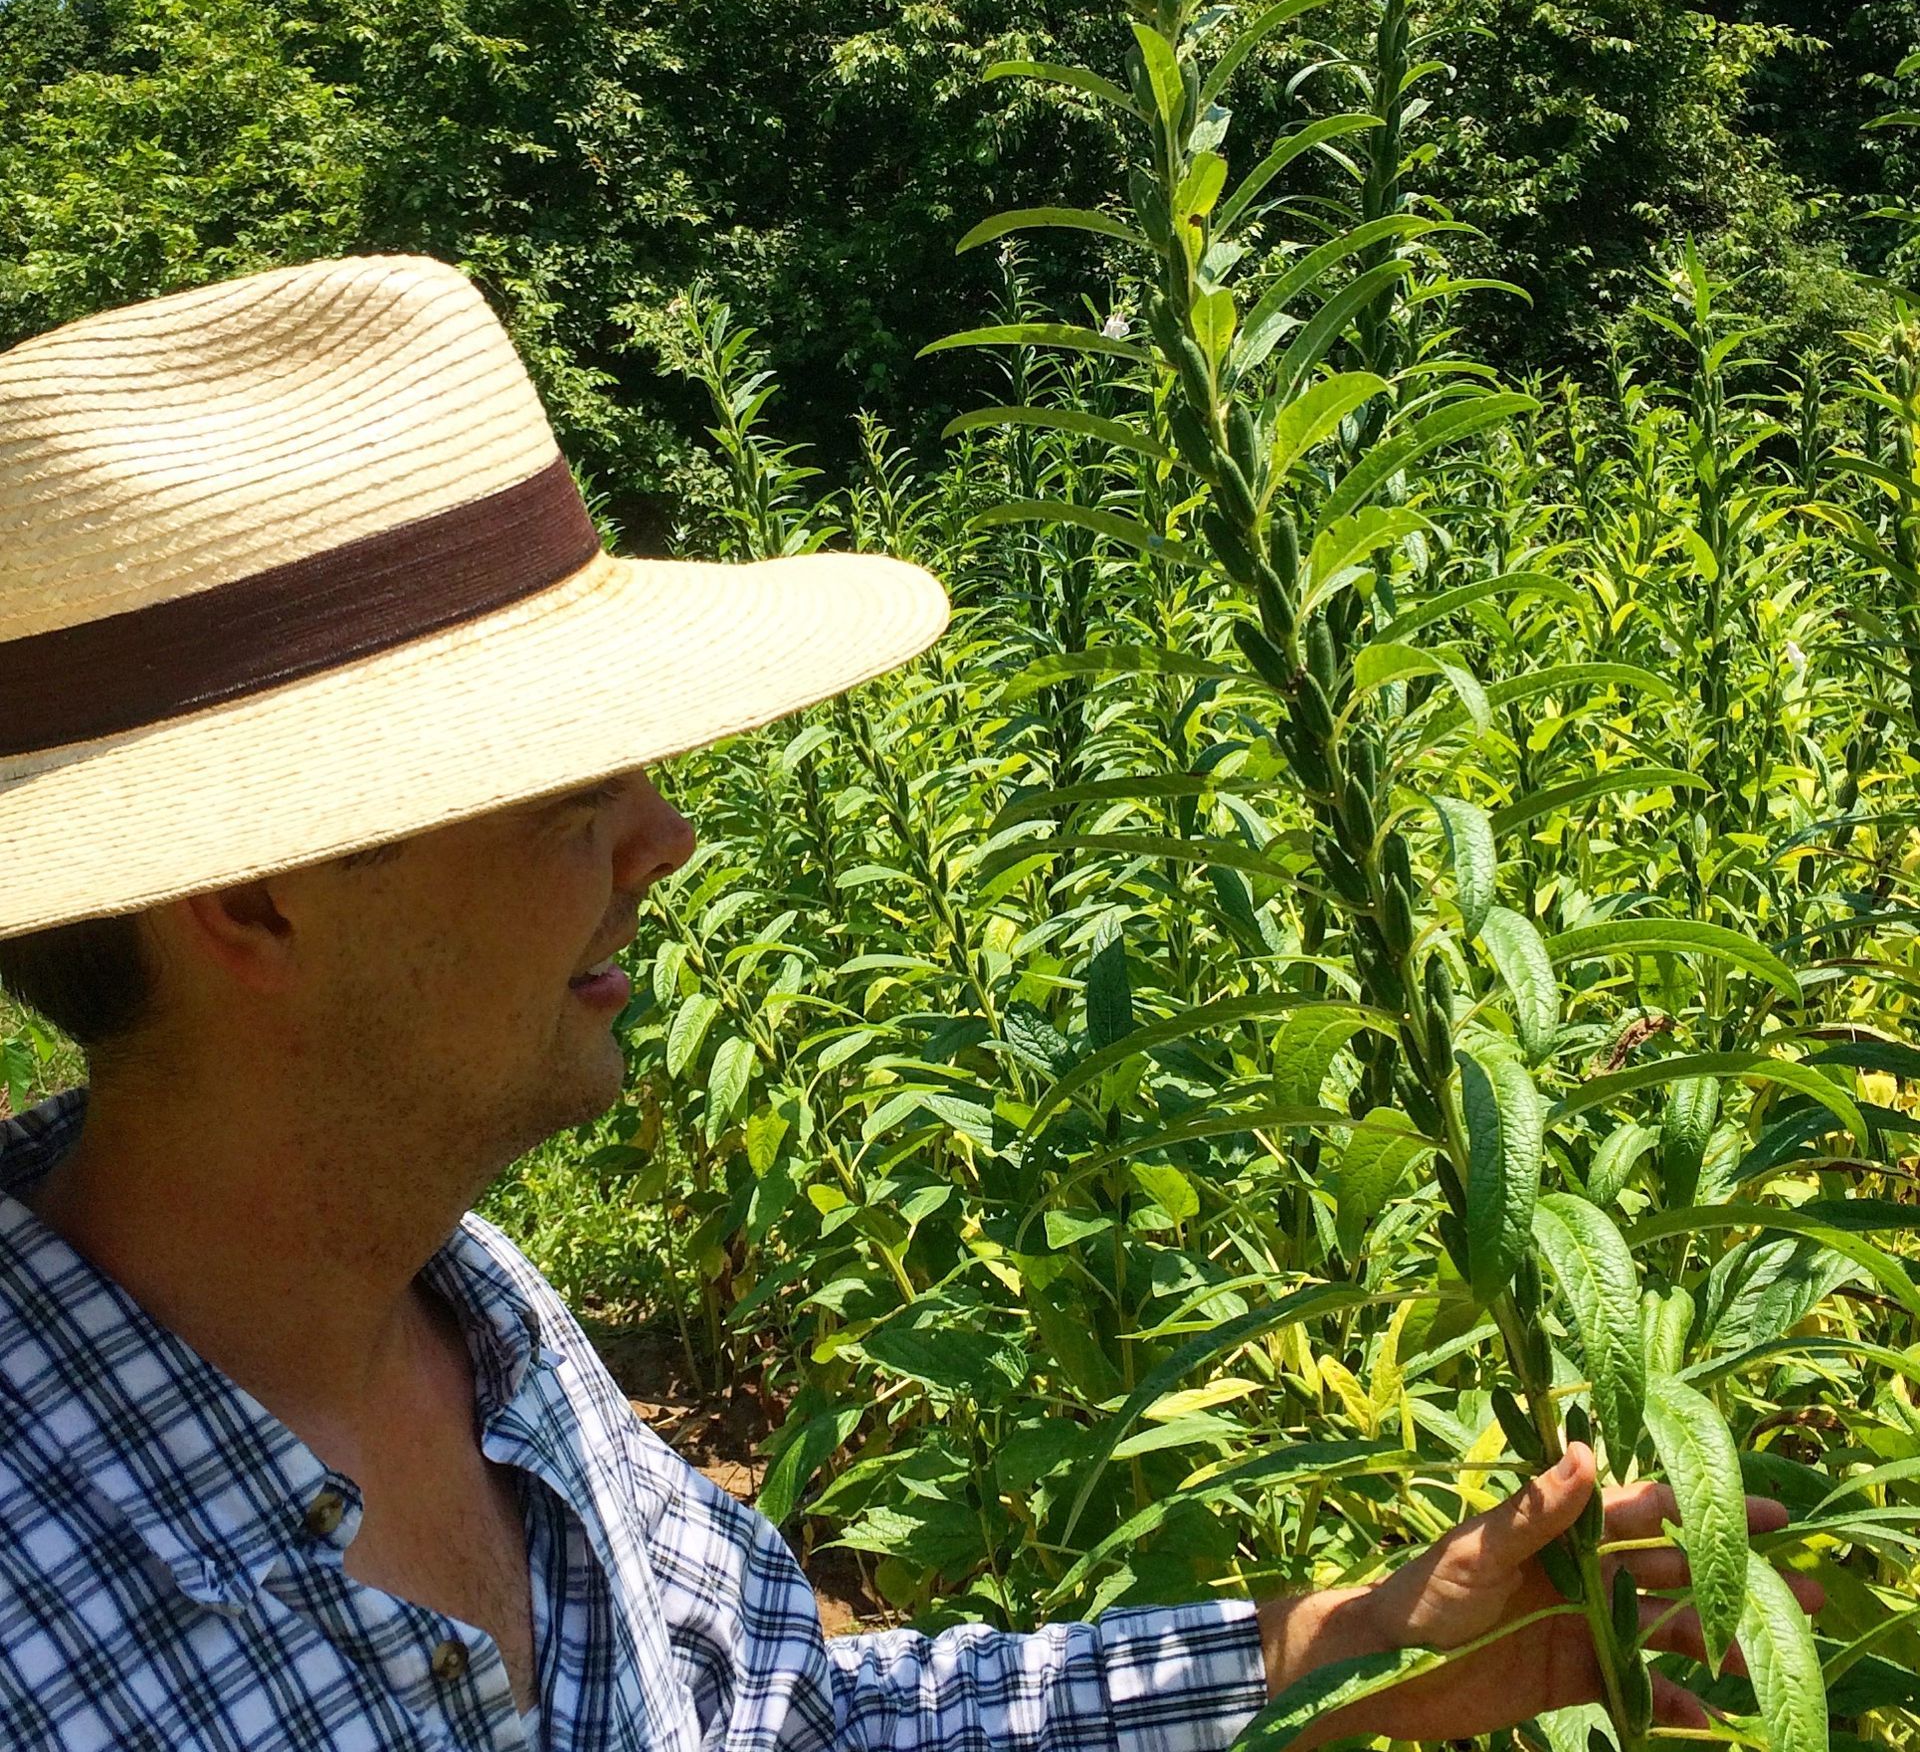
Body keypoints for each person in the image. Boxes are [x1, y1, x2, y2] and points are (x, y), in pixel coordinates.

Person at [0, 256, 1816, 1752]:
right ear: (251, 893)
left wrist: (1346, 1646)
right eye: (568, 795)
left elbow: (789, 1716)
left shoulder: (476, 1328)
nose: (669, 834)